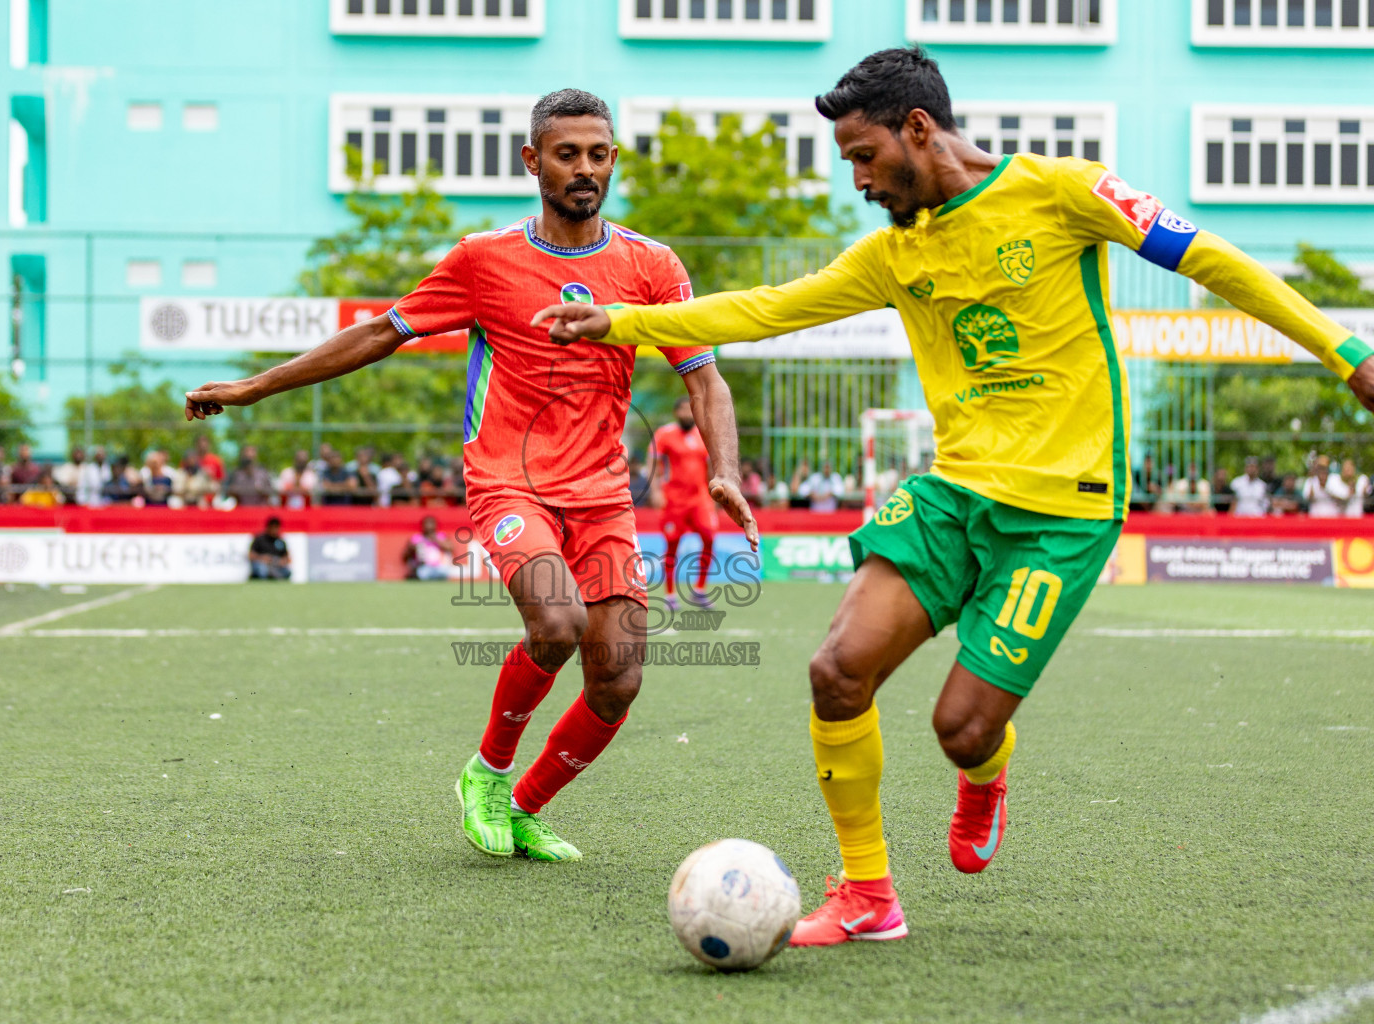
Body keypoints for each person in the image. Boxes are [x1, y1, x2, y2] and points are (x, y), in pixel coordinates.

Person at [531, 48, 1374, 944]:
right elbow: (766, 308)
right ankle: (867, 896)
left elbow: (1214, 262)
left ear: (918, 130)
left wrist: (1346, 353)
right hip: (953, 495)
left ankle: (985, 771)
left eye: (863, 155)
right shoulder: (894, 256)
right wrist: (622, 321)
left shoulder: (1065, 192)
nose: (856, 179)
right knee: (835, 672)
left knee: (962, 730)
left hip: (1063, 512)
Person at [187, 88, 757, 863]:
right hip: (507, 481)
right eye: (567, 154)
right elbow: (378, 334)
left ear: (614, 159)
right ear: (533, 161)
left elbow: (705, 376)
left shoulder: (651, 264)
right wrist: (254, 388)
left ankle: (523, 807)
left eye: (598, 153)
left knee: (618, 679)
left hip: (602, 494)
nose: (585, 169)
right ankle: (487, 774)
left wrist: (725, 468)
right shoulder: (483, 261)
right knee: (556, 623)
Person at [654, 396, 719, 610]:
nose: (686, 414)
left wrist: (715, 493)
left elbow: (710, 467)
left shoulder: (703, 434)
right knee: (672, 545)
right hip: (674, 500)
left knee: (709, 537)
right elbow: (654, 463)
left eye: (689, 410)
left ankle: (699, 590)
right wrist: (655, 490)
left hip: (700, 499)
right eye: (682, 409)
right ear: (676, 413)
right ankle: (670, 595)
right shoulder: (665, 434)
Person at [403, 514, 456, 580]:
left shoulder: (441, 536)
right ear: (422, 526)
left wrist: (436, 540)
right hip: (424, 568)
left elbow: (451, 548)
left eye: (431, 523)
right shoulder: (416, 538)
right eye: (427, 524)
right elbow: (405, 556)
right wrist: (413, 548)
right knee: (423, 573)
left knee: (443, 572)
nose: (429, 526)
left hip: (440, 567)